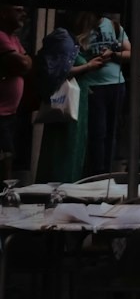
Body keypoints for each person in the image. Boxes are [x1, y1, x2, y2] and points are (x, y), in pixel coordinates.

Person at [33, 12, 89, 184]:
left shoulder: (72, 40)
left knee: (74, 147)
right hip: (66, 101)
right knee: (63, 147)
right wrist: (89, 66)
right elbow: (59, 71)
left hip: (79, 99)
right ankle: (59, 183)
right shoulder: (62, 38)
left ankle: (70, 181)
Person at [76, 7, 130, 176]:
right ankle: (96, 171)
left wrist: (113, 54)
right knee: (97, 131)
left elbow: (129, 53)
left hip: (116, 83)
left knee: (111, 131)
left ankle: (107, 171)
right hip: (94, 85)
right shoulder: (82, 26)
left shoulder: (114, 26)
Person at [0, 5, 32, 176]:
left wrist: (22, 64)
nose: (24, 13)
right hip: (1, 113)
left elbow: (28, 63)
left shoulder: (14, 38)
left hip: (11, 112)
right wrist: (21, 64)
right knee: (6, 157)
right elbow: (23, 64)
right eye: (18, 10)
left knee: (9, 155)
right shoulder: (1, 36)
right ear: (4, 12)